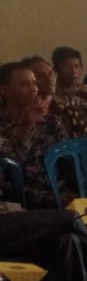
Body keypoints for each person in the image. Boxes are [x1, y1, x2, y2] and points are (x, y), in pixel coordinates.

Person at [0, 61, 70, 207]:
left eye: (34, 83)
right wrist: (27, 126)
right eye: (24, 84)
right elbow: (11, 169)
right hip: (25, 201)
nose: (34, 89)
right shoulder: (3, 127)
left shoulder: (51, 122)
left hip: (61, 191)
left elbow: (69, 158)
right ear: (5, 91)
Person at [49, 46, 87, 137]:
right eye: (67, 67)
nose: (73, 71)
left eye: (77, 66)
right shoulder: (52, 93)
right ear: (56, 69)